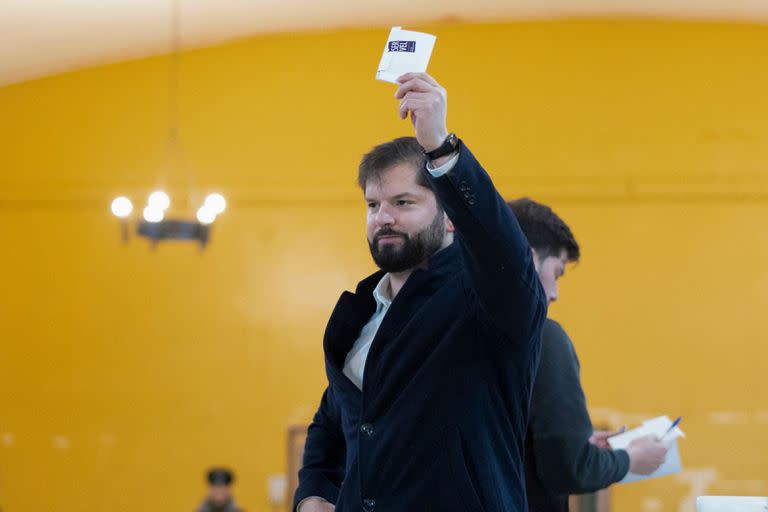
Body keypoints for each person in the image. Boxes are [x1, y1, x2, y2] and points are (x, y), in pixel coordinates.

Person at [293, 72, 548, 512]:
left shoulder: (484, 302)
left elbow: (504, 252)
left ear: (450, 217)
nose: (383, 217)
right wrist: (313, 494)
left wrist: (442, 150)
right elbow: (333, 424)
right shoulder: (363, 316)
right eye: (373, 205)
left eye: (403, 202)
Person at [507, 198, 669, 512]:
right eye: (556, 273)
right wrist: (630, 458)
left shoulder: (444, 332)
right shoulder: (542, 338)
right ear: (528, 259)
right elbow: (569, 469)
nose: (554, 293)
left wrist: (568, 437)